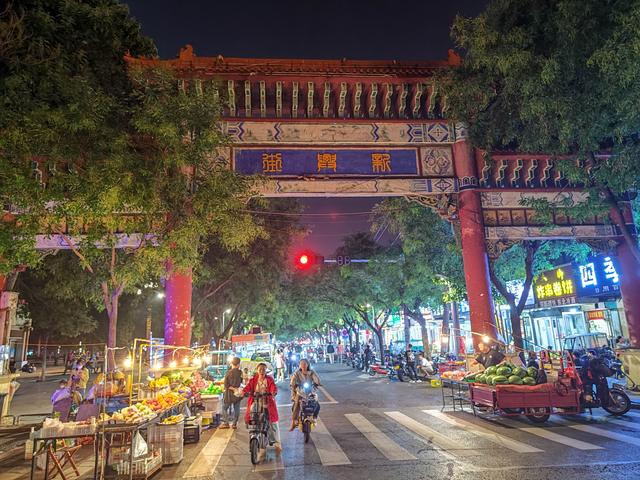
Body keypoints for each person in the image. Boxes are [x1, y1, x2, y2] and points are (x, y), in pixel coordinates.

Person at [242, 362, 281, 453]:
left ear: (266, 371)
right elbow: (248, 388)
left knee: (273, 422)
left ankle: (277, 443)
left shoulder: (269, 379)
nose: (262, 371)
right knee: (251, 418)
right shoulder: (253, 380)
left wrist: (273, 392)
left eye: (263, 369)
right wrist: (244, 392)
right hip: (255, 402)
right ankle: (254, 436)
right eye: (260, 369)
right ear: (257, 370)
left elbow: (273, 387)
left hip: (267, 403)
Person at [289, 358, 321, 431]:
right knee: (296, 405)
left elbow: (316, 378)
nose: (303, 365)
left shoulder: (311, 372)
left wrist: (317, 383)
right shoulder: (297, 373)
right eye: (301, 364)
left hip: (310, 392)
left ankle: (315, 417)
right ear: (299, 365)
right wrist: (293, 384)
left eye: (305, 364)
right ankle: (294, 422)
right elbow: (293, 380)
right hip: (300, 392)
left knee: (317, 404)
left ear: (307, 365)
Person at [220, 357, 243, 429]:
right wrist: (236, 388)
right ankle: (234, 424)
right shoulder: (240, 372)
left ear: (231, 363)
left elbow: (226, 385)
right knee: (237, 408)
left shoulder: (228, 372)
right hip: (237, 393)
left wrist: (232, 388)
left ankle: (226, 423)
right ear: (239, 364)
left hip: (229, 394)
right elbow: (242, 381)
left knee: (224, 408)